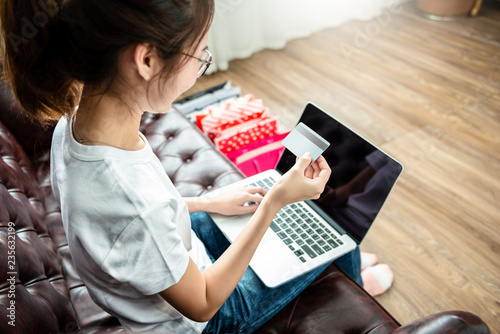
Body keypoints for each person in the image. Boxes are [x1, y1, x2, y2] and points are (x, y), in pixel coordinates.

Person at [0, 1, 363, 333]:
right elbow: (203, 304)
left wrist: (209, 202)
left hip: (175, 263)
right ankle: (354, 287)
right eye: (200, 53)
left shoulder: (74, 125)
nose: (202, 63)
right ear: (146, 60)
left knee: (282, 215)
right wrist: (274, 204)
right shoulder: (129, 197)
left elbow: (126, 223)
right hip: (195, 321)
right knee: (338, 233)